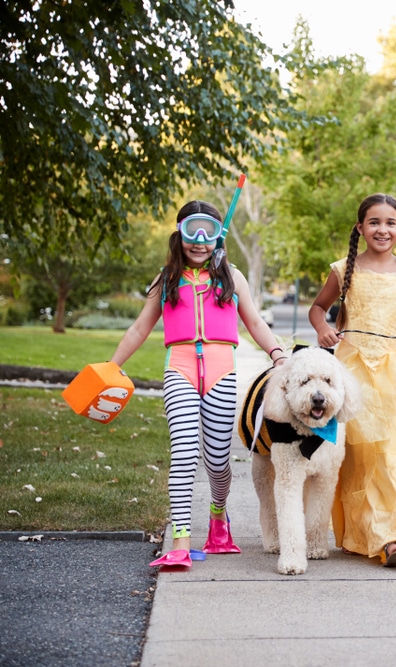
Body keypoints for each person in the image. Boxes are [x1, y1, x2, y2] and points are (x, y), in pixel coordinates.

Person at [111, 200, 287, 569]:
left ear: (219, 237)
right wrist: (112, 366)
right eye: (193, 230)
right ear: (180, 233)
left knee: (219, 462)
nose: (200, 240)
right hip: (180, 370)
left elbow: (254, 322)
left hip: (222, 373)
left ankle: (219, 519)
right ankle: (179, 539)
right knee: (183, 452)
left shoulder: (232, 277)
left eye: (209, 231)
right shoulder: (166, 279)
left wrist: (277, 354)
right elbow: (140, 327)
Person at [309, 193, 396, 567]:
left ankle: (395, 538)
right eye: (374, 222)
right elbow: (318, 309)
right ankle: (360, 535)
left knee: (391, 456)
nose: (382, 229)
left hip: (395, 378)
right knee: (359, 456)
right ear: (360, 228)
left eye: (390, 223)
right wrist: (322, 330)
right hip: (353, 374)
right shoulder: (343, 270)